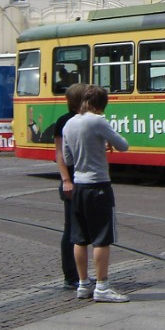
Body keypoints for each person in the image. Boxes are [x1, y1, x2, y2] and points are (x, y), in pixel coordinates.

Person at [62, 84, 130, 302]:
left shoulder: (69, 123)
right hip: (99, 185)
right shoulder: (98, 121)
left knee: (79, 239)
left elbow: (68, 158)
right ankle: (102, 287)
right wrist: (104, 141)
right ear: (102, 104)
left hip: (79, 186)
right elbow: (123, 146)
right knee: (101, 239)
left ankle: (83, 284)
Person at [53, 83, 86, 289]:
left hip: (85, 178)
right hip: (72, 179)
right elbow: (59, 155)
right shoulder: (65, 121)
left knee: (80, 229)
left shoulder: (87, 120)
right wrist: (66, 180)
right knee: (71, 229)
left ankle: (80, 276)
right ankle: (71, 276)